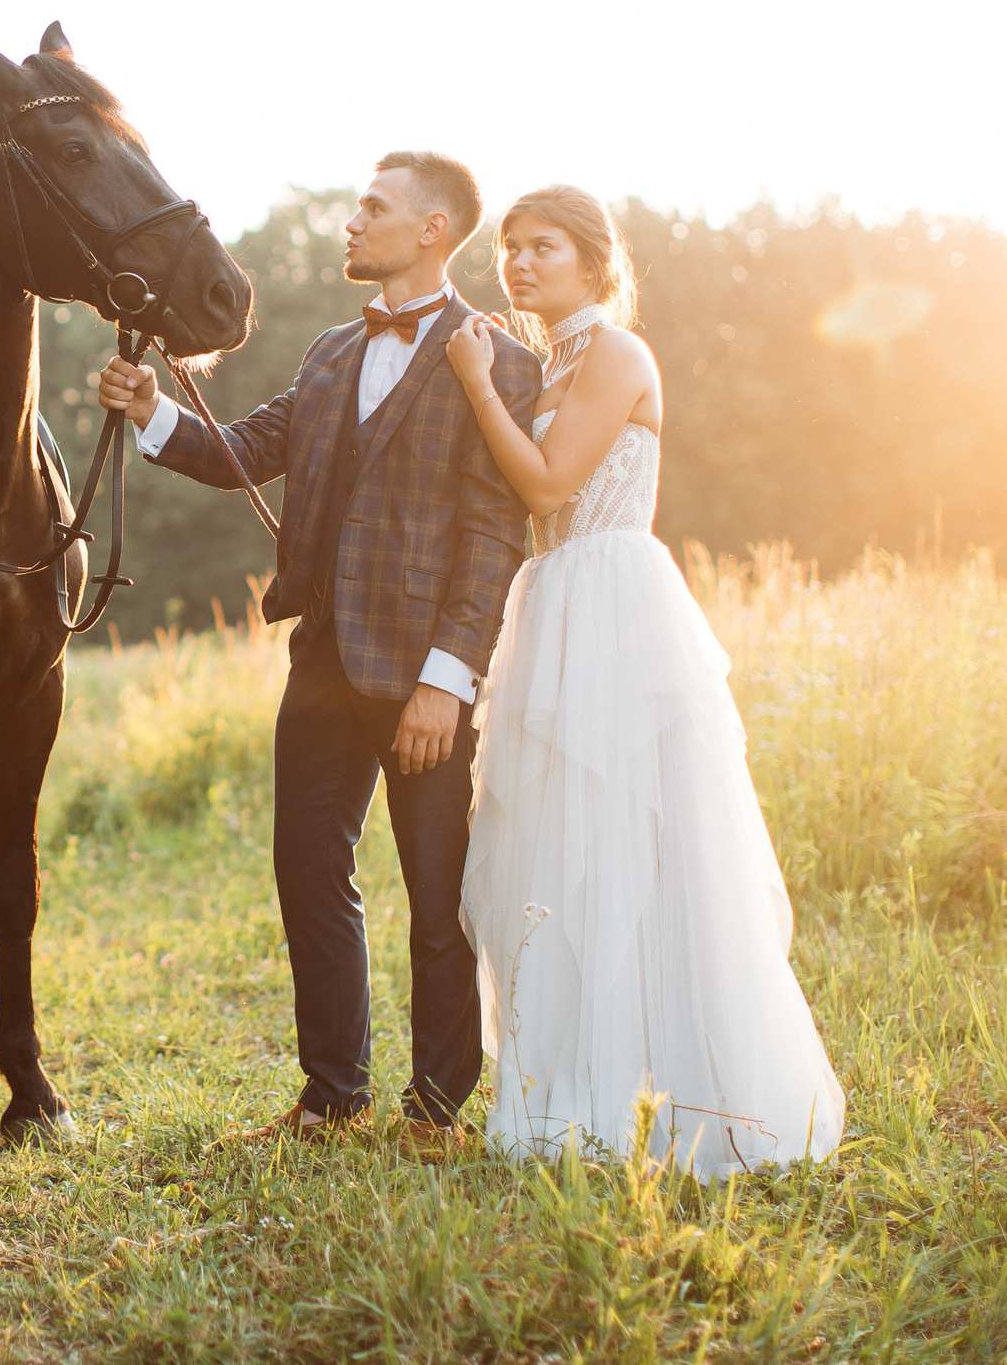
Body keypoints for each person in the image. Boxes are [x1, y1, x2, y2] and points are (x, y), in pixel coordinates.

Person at [95, 151, 540, 1146]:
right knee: (307, 866)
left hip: (428, 672)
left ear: (432, 229)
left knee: (438, 892)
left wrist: (446, 681)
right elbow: (245, 449)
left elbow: (489, 535)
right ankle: (333, 1096)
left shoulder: (497, 358)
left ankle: (436, 1109)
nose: (352, 223)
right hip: (325, 660)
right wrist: (147, 411)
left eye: (372, 209)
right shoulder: (332, 351)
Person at [444, 185, 845, 1177]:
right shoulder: (547, 361)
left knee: (638, 836)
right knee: (559, 842)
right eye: (510, 249)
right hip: (552, 603)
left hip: (616, 602)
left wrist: (476, 385)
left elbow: (545, 485)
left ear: (594, 261)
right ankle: (582, 1084)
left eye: (543, 248)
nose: (520, 264)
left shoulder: (616, 353)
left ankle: (691, 1091)